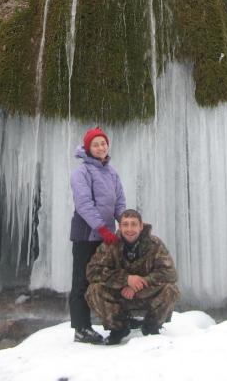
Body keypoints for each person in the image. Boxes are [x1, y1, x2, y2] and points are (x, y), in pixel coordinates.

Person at [86, 209, 180, 345]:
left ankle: (151, 327)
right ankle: (118, 328)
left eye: (133, 224)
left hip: (146, 293)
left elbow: (170, 273)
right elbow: (92, 271)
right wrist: (126, 280)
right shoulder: (110, 244)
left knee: (171, 289)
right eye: (125, 224)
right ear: (120, 226)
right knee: (94, 289)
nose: (129, 229)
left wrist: (139, 284)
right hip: (120, 294)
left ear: (141, 226)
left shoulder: (155, 244)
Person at [69, 127, 126, 344]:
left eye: (103, 143)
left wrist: (124, 222)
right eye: (96, 144)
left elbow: (119, 200)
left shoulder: (111, 172)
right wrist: (102, 228)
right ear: (88, 148)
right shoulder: (81, 173)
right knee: (81, 281)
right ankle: (81, 328)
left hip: (106, 235)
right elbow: (84, 204)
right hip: (85, 235)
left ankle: (114, 320)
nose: (101, 147)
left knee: (108, 277)